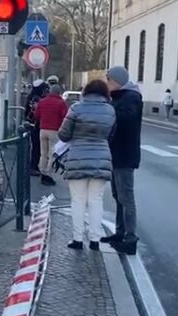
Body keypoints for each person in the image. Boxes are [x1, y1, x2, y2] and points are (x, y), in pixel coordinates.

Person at [57, 80, 116, 251]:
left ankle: (77, 239)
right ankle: (95, 240)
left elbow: (64, 135)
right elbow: (111, 134)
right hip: (101, 157)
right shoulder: (110, 110)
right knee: (96, 200)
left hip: (78, 158)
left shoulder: (76, 108)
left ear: (86, 92)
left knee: (78, 201)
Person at [102, 66, 143, 255]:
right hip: (115, 153)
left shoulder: (132, 97)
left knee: (127, 198)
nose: (107, 83)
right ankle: (120, 232)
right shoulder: (119, 97)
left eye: (109, 80)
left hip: (125, 155)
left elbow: (128, 119)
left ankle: (131, 237)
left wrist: (109, 110)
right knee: (118, 196)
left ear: (118, 81)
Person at [34, 84, 69, 185]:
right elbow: (65, 117)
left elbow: (37, 115)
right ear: (59, 92)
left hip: (43, 130)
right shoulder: (61, 103)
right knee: (52, 153)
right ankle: (48, 174)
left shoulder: (42, 101)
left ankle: (42, 170)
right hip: (54, 131)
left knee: (43, 153)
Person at [25, 80, 50, 175]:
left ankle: (34, 166)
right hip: (34, 125)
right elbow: (35, 112)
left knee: (37, 146)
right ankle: (33, 166)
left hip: (33, 124)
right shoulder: (35, 99)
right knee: (36, 146)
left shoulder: (32, 97)